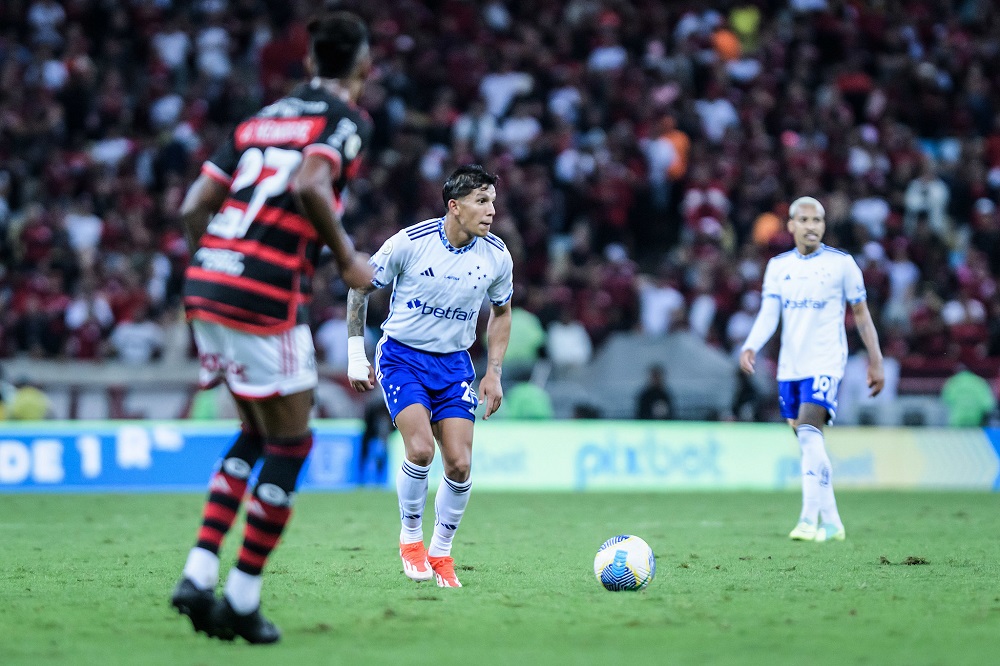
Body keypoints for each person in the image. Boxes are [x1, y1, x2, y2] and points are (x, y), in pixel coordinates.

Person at [169, 10, 375, 644]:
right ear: (361, 66)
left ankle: (199, 574)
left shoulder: (259, 119)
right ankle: (240, 599)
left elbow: (193, 206)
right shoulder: (343, 122)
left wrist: (225, 261)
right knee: (291, 444)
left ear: (310, 61)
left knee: (255, 433)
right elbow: (311, 180)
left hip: (206, 282)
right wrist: (345, 260)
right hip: (262, 300)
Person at [346, 164, 513, 588]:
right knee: (420, 451)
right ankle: (410, 540)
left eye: (492, 201)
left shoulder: (497, 256)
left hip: (455, 363)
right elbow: (359, 287)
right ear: (455, 207)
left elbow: (502, 311)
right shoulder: (410, 243)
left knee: (459, 463)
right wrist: (354, 354)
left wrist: (493, 373)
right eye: (482, 201)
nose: (491, 210)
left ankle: (441, 551)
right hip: (402, 357)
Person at [740, 196, 884, 543]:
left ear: (824, 225)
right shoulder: (778, 266)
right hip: (790, 367)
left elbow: (862, 314)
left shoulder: (842, 265)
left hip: (826, 361)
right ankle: (833, 521)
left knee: (808, 430)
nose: (811, 226)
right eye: (803, 220)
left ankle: (808, 520)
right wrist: (751, 344)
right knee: (808, 443)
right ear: (790, 225)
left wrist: (875, 359)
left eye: (817, 220)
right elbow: (770, 313)